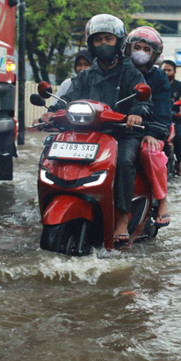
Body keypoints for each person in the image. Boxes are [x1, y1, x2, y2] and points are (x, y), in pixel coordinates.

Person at [39, 14, 152, 245]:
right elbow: (66, 100)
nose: (103, 44)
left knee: (124, 161)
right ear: (90, 43)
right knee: (51, 154)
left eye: (108, 39)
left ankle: (121, 216)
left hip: (121, 133)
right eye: (98, 39)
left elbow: (144, 100)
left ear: (118, 42)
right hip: (85, 135)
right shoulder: (85, 76)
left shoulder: (131, 73)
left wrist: (136, 112)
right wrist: (52, 111)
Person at [125, 26, 172, 227]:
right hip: (117, 128)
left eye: (146, 49)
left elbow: (163, 109)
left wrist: (153, 132)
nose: (141, 52)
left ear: (154, 55)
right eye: (138, 47)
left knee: (150, 152)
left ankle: (162, 201)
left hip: (147, 130)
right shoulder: (119, 69)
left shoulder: (159, 78)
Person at [162, 59, 181, 176]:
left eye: (169, 70)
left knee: (177, 137)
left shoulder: (180, 86)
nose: (166, 72)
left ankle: (178, 163)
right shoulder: (157, 85)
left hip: (174, 118)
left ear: (174, 71)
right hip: (158, 118)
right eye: (164, 70)